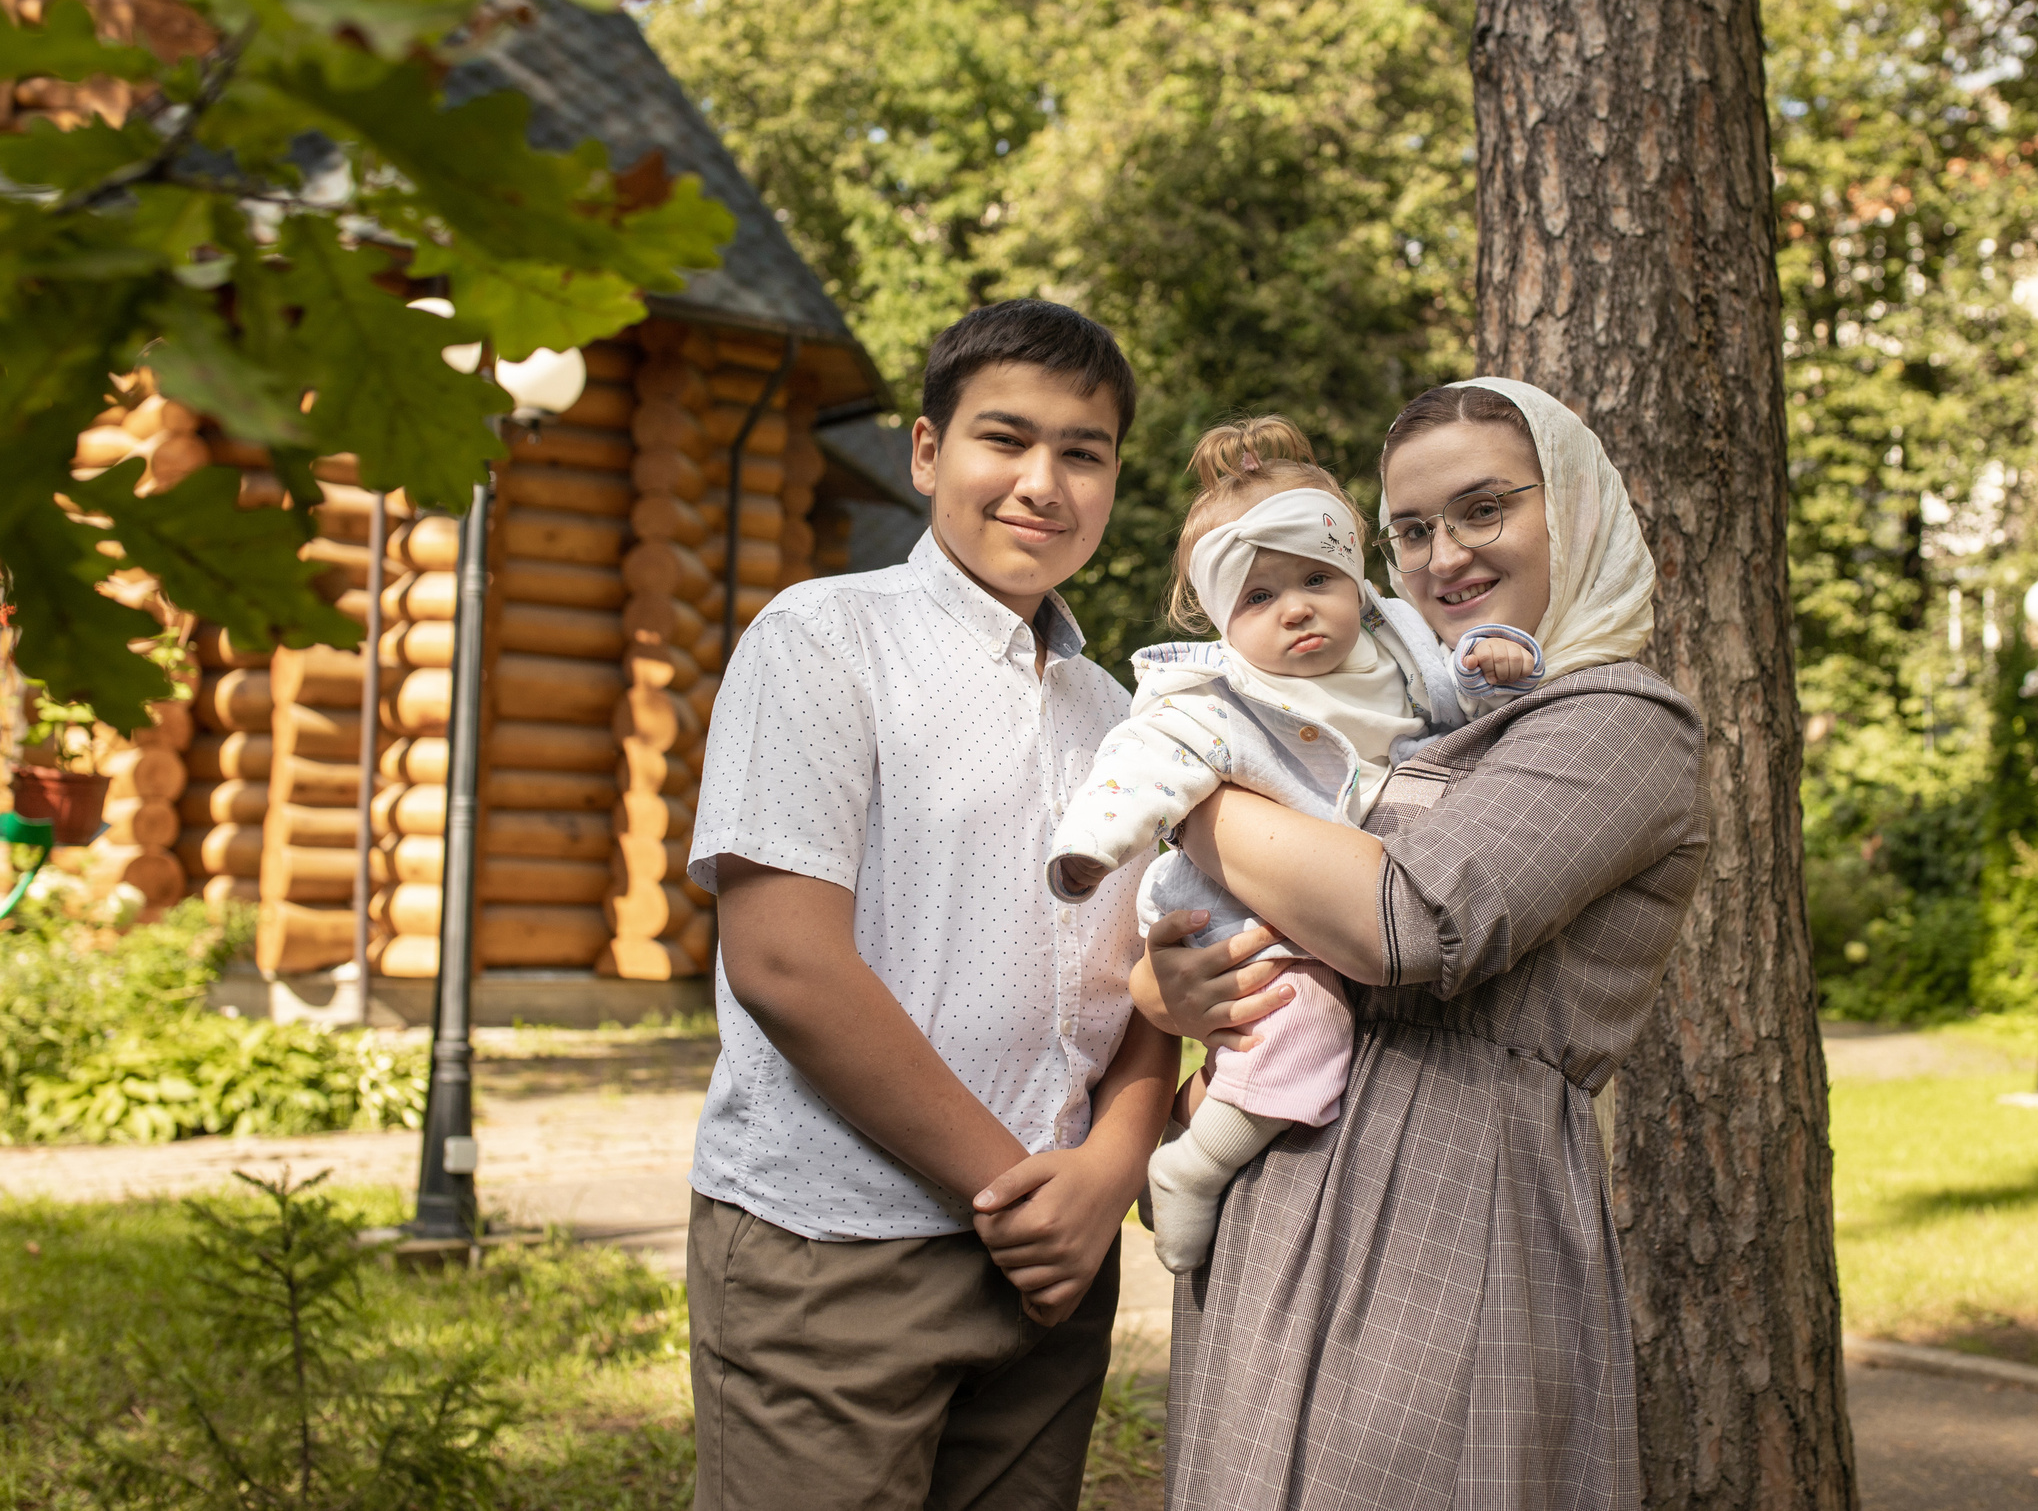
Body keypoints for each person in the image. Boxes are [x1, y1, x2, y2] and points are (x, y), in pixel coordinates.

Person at [1134, 376, 1709, 1510]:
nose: (1445, 555)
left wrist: (1187, 773)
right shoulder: (1398, 721)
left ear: (1572, 506)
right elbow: (1252, 931)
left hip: (1450, 1207)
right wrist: (1177, 1000)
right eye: (1410, 530)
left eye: (1484, 509)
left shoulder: (1621, 720)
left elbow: (1408, 921)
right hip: (1280, 1194)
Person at [684, 299, 1180, 1511]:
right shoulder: (824, 640)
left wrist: (1106, 1176)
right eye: (1004, 438)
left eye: (1083, 453)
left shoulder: (1128, 725)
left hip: (1050, 1278)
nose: (1042, 483)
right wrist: (1020, 1193)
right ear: (925, 451)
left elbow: (1148, 979)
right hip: (837, 1250)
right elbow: (785, 964)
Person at [1044, 416, 1509, 1274]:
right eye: (1258, 597)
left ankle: (1204, 1123)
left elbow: (1469, 692)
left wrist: (1497, 663)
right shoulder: (1218, 693)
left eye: (1315, 579)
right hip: (1247, 912)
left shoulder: (1403, 647)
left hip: (1360, 897)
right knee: (1306, 1021)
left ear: (1354, 577)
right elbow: (1142, 761)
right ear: (1224, 619)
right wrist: (1092, 845)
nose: (1295, 608)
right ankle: (1197, 1163)